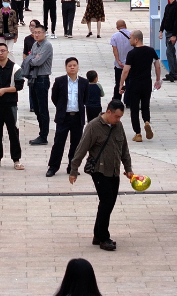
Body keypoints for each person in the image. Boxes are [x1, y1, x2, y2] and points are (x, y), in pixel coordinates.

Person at [69, 100, 135, 252]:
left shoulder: (118, 126)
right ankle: (104, 237)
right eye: (116, 116)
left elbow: (124, 148)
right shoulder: (93, 126)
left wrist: (128, 168)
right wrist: (74, 170)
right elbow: (81, 148)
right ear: (108, 112)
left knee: (109, 203)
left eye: (120, 117)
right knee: (106, 201)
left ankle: (98, 234)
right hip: (99, 171)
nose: (118, 120)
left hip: (114, 170)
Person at [0, 41, 25, 170]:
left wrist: (4, 90)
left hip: (10, 104)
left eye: (3, 51)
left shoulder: (16, 68)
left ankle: (16, 160)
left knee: (13, 132)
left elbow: (19, 86)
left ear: (7, 52)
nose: (0, 53)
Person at [48, 57, 89, 177]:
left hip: (77, 117)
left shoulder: (84, 82)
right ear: (66, 67)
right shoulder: (59, 81)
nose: (72, 67)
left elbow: (85, 99)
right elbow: (54, 98)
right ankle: (53, 167)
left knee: (76, 144)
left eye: (74, 65)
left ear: (78, 67)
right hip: (63, 117)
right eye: (70, 65)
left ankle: (72, 167)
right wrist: (61, 108)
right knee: (58, 143)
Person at [118, 29, 162, 142]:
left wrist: (121, 84)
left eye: (131, 37)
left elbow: (126, 71)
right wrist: (157, 80)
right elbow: (157, 66)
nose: (129, 40)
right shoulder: (151, 51)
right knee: (145, 105)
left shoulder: (131, 54)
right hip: (147, 83)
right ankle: (146, 121)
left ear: (136, 39)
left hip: (134, 84)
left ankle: (138, 133)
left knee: (134, 109)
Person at [26, 22, 53, 145]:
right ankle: (41, 132)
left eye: (39, 32)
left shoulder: (47, 45)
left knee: (42, 108)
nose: (36, 34)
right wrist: (32, 59)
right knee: (36, 108)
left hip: (42, 78)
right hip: (33, 78)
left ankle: (44, 136)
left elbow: (37, 61)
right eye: (35, 32)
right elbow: (29, 58)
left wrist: (32, 59)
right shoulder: (35, 45)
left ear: (44, 33)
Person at [158, 0, 177, 81]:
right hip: (168, 32)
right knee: (170, 53)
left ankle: (173, 74)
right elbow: (164, 19)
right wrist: (161, 31)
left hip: (172, 33)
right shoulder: (168, 6)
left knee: (170, 52)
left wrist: (174, 35)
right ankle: (173, 73)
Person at [109, 20, 133, 99]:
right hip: (130, 64)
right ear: (125, 25)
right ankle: (128, 100)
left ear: (117, 27)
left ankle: (117, 99)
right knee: (129, 83)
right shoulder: (132, 35)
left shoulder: (114, 36)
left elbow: (115, 49)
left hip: (119, 65)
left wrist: (118, 60)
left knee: (119, 83)